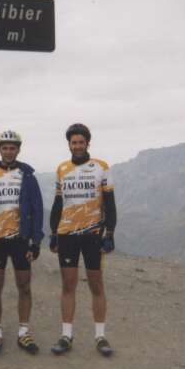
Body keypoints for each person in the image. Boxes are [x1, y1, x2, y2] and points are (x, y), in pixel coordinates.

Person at [49, 123, 117, 357]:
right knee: (68, 285)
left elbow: (110, 203)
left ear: (88, 143)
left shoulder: (101, 167)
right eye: (73, 142)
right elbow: (58, 204)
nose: (77, 146)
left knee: (96, 285)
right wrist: (53, 233)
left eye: (81, 142)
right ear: (69, 144)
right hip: (67, 234)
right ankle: (66, 335)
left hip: (92, 234)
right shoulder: (62, 169)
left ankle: (100, 336)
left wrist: (110, 234)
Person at [0, 130, 44, 357]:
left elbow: (36, 209)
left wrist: (36, 241)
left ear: (18, 149)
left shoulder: (28, 176)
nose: (8, 151)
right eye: (4, 147)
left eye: (12, 147)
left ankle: (24, 331)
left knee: (24, 286)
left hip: (20, 240)